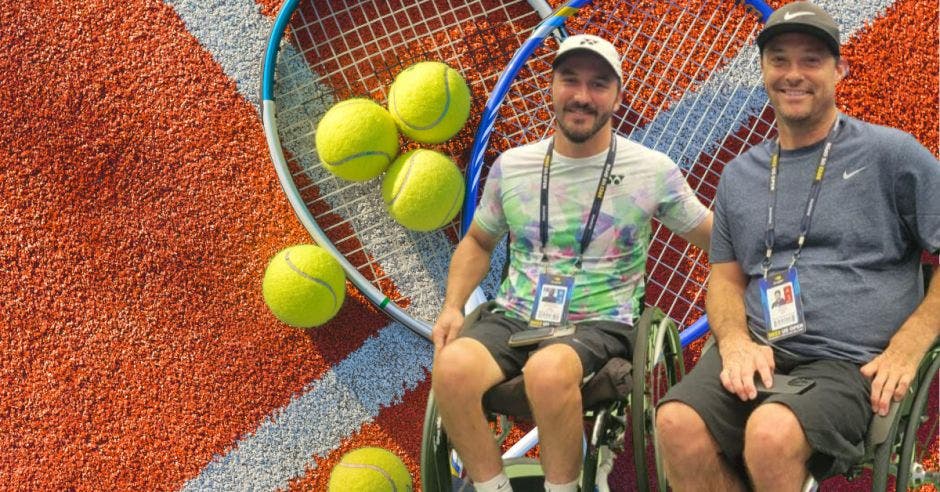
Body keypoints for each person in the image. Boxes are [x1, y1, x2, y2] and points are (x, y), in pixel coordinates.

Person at [655, 2, 940, 490]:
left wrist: (910, 346)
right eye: (779, 59)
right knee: (675, 424)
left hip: (850, 362)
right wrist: (736, 341)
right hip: (761, 350)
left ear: (839, 70)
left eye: (811, 59)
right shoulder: (738, 176)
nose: (793, 74)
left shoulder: (892, 155)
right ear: (763, 69)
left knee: (771, 434)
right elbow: (725, 279)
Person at [430, 34, 713, 492]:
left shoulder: (651, 170)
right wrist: (452, 306)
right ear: (552, 87)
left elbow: (716, 240)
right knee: (451, 369)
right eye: (570, 80)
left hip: (602, 322)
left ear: (618, 97)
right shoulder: (512, 166)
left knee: (548, 371)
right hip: (516, 317)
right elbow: (478, 242)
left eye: (599, 84)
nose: (582, 96)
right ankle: (490, 486)